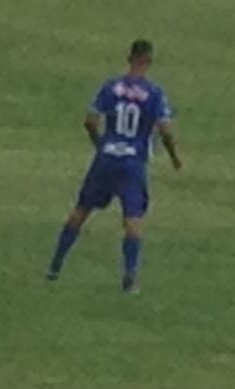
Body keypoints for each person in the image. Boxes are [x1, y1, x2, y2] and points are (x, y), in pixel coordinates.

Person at [46, 38, 183, 293]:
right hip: (132, 162)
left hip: (106, 157)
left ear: (129, 58)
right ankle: (129, 277)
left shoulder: (110, 86)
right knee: (132, 219)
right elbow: (165, 129)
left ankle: (55, 265)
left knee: (81, 210)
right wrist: (175, 157)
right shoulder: (154, 93)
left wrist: (101, 145)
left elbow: (90, 121)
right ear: (148, 62)